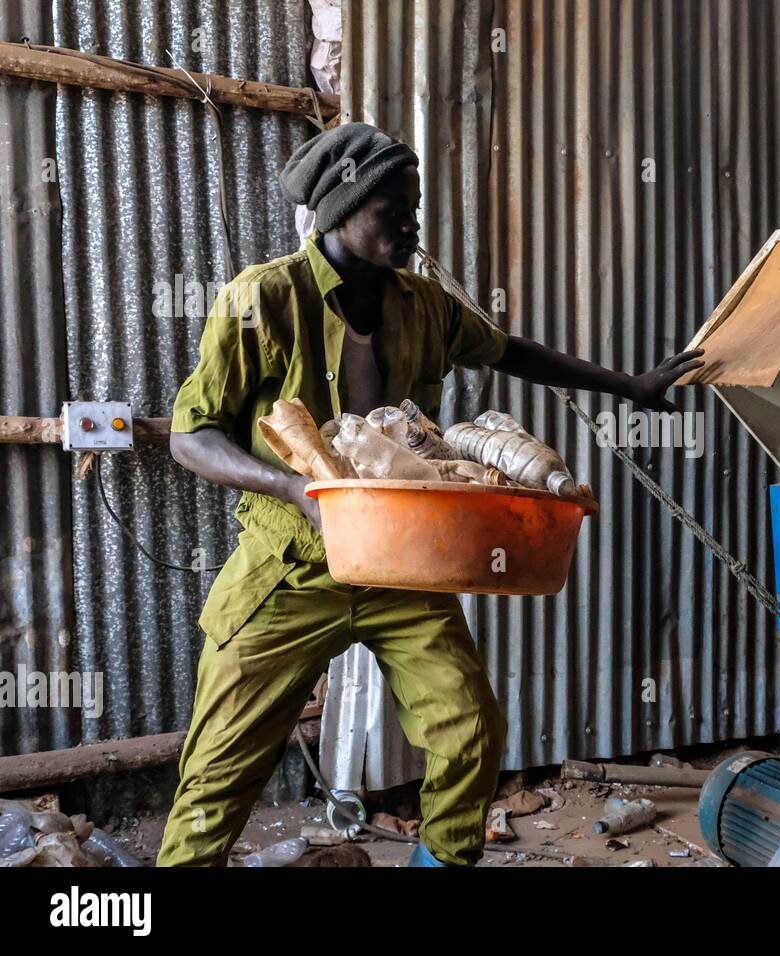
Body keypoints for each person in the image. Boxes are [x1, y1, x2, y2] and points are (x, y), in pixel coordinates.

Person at [157, 123, 702, 866]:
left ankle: (439, 861)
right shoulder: (264, 299)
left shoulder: (424, 304)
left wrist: (626, 386)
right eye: (393, 208)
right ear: (342, 208)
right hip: (291, 567)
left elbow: (511, 351)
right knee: (220, 771)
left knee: (469, 731)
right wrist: (296, 486)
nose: (412, 224)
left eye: (414, 206)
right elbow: (191, 437)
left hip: (404, 564)